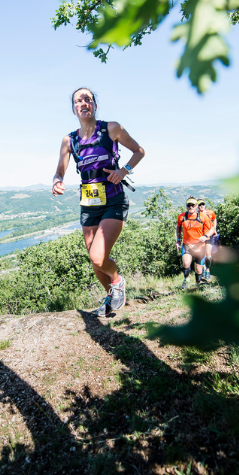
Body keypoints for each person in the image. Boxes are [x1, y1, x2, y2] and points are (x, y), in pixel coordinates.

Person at [52, 87, 145, 317]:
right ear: (74, 109)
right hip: (88, 203)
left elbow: (139, 151)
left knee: (97, 256)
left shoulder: (111, 128)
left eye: (88, 99)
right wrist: (57, 181)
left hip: (113, 199)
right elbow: (59, 172)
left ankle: (117, 281)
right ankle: (111, 296)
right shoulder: (69, 140)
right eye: (78, 101)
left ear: (94, 105)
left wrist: (124, 171)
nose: (83, 103)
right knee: (95, 261)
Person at [176, 196, 213, 289]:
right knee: (186, 262)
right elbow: (178, 227)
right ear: (186, 206)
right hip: (187, 244)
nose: (191, 207)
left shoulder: (202, 216)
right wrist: (178, 240)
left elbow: (212, 229)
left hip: (200, 246)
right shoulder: (181, 217)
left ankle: (197, 283)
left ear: (196, 206)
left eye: (193, 205)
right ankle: (186, 279)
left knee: (198, 268)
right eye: (189, 205)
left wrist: (205, 236)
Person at [198, 198, 217, 280]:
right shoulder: (195, 215)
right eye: (199, 204)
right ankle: (202, 271)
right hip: (199, 237)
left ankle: (208, 270)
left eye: (203, 204)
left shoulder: (210, 212)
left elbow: (214, 219)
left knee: (208, 255)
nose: (201, 206)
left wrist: (214, 229)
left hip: (209, 236)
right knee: (200, 255)